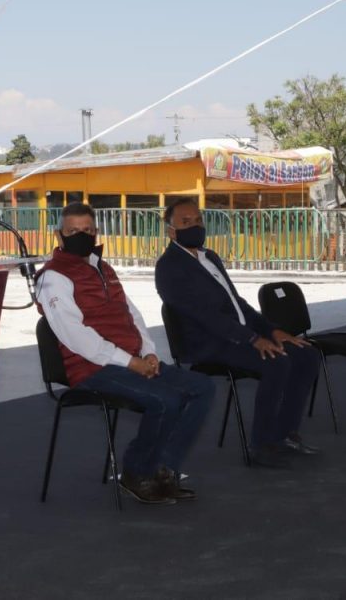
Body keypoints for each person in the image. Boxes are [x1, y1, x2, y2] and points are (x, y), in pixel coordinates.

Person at [36, 202, 214, 505]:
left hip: (130, 360)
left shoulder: (102, 268)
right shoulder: (52, 277)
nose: (81, 235)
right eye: (73, 231)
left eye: (87, 230)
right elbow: (76, 337)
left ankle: (163, 468)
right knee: (166, 399)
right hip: (91, 367)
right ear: (59, 235)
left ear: (96, 232)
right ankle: (136, 473)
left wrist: (148, 352)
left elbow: (132, 314)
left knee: (202, 387)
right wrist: (130, 362)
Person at [154, 198, 321, 469]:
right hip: (208, 342)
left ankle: (284, 433)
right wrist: (253, 339)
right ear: (171, 231)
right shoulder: (169, 267)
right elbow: (204, 316)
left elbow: (236, 303)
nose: (195, 225)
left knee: (306, 355)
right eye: (186, 222)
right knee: (277, 362)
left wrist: (271, 330)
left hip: (237, 334)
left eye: (198, 220)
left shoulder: (210, 257)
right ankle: (262, 445)